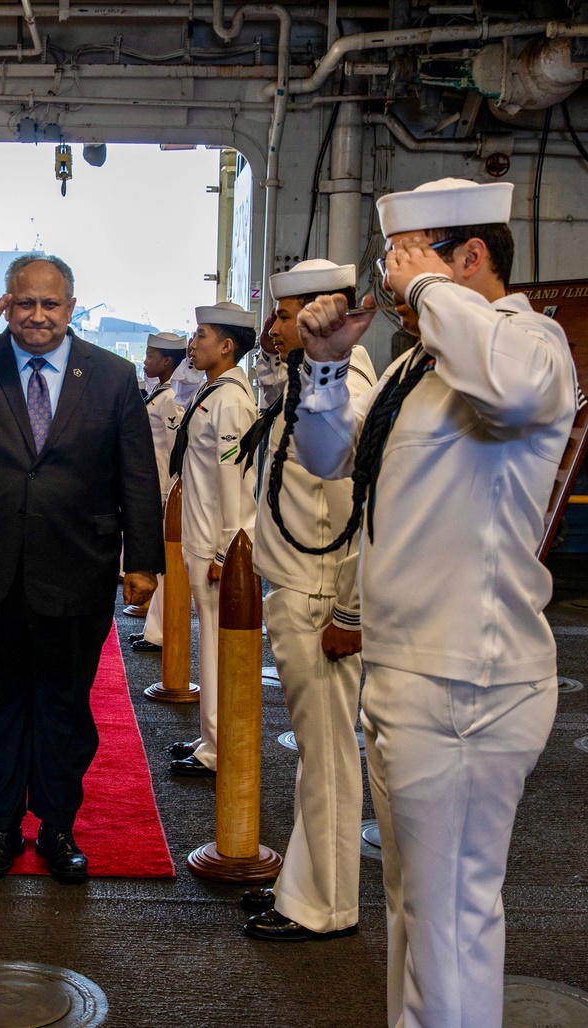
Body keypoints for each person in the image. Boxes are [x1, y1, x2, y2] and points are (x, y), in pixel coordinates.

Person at [291, 179, 578, 1027]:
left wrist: (425, 289)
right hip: (410, 672)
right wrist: (323, 364)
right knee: (417, 914)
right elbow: (327, 455)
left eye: (408, 264)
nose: (393, 288)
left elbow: (521, 390)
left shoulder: (531, 343)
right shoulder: (421, 366)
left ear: (472, 258)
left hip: (469, 679)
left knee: (449, 923)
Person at [0, 253, 164, 882]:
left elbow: (138, 475)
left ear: (71, 308)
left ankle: (58, 827)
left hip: (77, 567)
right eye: (24, 304)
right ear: (5, 306)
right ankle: (0, 829)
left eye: (50, 304)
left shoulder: (113, 375)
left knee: (66, 709)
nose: (37, 316)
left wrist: (143, 562)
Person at [241, 260, 376, 943]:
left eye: (285, 314)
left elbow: (360, 507)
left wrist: (349, 613)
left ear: (322, 313)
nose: (275, 325)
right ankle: (304, 880)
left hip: (320, 595)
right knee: (314, 752)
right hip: (296, 583)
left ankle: (324, 906)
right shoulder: (306, 377)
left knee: (326, 753)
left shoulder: (345, 384)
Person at [167, 302, 258, 778]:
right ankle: (210, 739)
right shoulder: (213, 392)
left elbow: (234, 482)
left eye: (201, 335)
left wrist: (229, 550)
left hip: (216, 545)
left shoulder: (230, 402)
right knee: (211, 642)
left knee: (219, 647)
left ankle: (220, 750)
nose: (193, 341)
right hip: (200, 537)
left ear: (227, 346)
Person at [129, 332, 186, 652]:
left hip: (165, 490)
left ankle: (161, 633)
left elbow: (174, 450)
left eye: (151, 356)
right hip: (154, 488)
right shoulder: (159, 395)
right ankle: (154, 629)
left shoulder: (170, 401)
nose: (145, 360)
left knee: (166, 566)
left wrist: (170, 492)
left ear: (167, 362)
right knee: (159, 564)